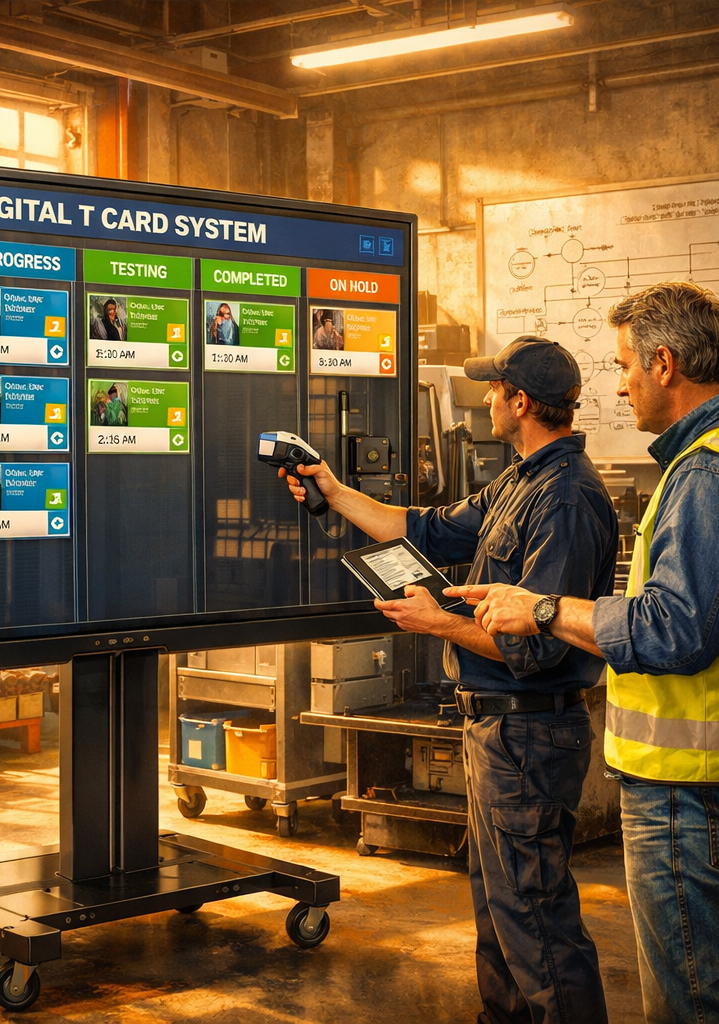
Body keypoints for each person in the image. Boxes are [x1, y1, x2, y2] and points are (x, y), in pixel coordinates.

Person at [448, 282, 719, 1024]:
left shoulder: (706, 474)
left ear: (664, 363)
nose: (619, 382)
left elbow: (674, 630)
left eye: (626, 364)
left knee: (700, 1005)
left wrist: (546, 609)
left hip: (692, 787)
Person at [282, 336, 617, 1024]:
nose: (486, 398)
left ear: (519, 401)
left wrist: (437, 622)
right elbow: (424, 529)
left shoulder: (564, 498)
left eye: (494, 389)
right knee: (500, 917)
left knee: (537, 925)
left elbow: (538, 650)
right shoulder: (521, 480)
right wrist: (333, 490)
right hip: (496, 731)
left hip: (529, 734)